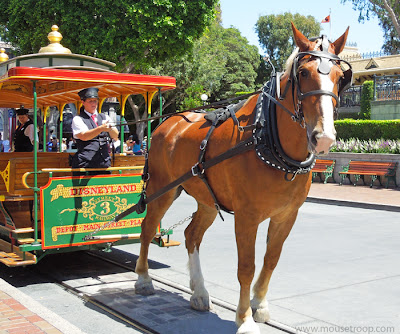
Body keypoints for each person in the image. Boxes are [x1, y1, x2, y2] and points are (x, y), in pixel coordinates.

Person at [71, 87, 119, 175]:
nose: (93, 104)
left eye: (95, 101)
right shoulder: (78, 119)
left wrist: (110, 128)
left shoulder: (105, 117)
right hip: (85, 164)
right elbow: (84, 136)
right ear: (83, 102)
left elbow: (115, 136)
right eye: (90, 101)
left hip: (103, 163)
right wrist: (100, 128)